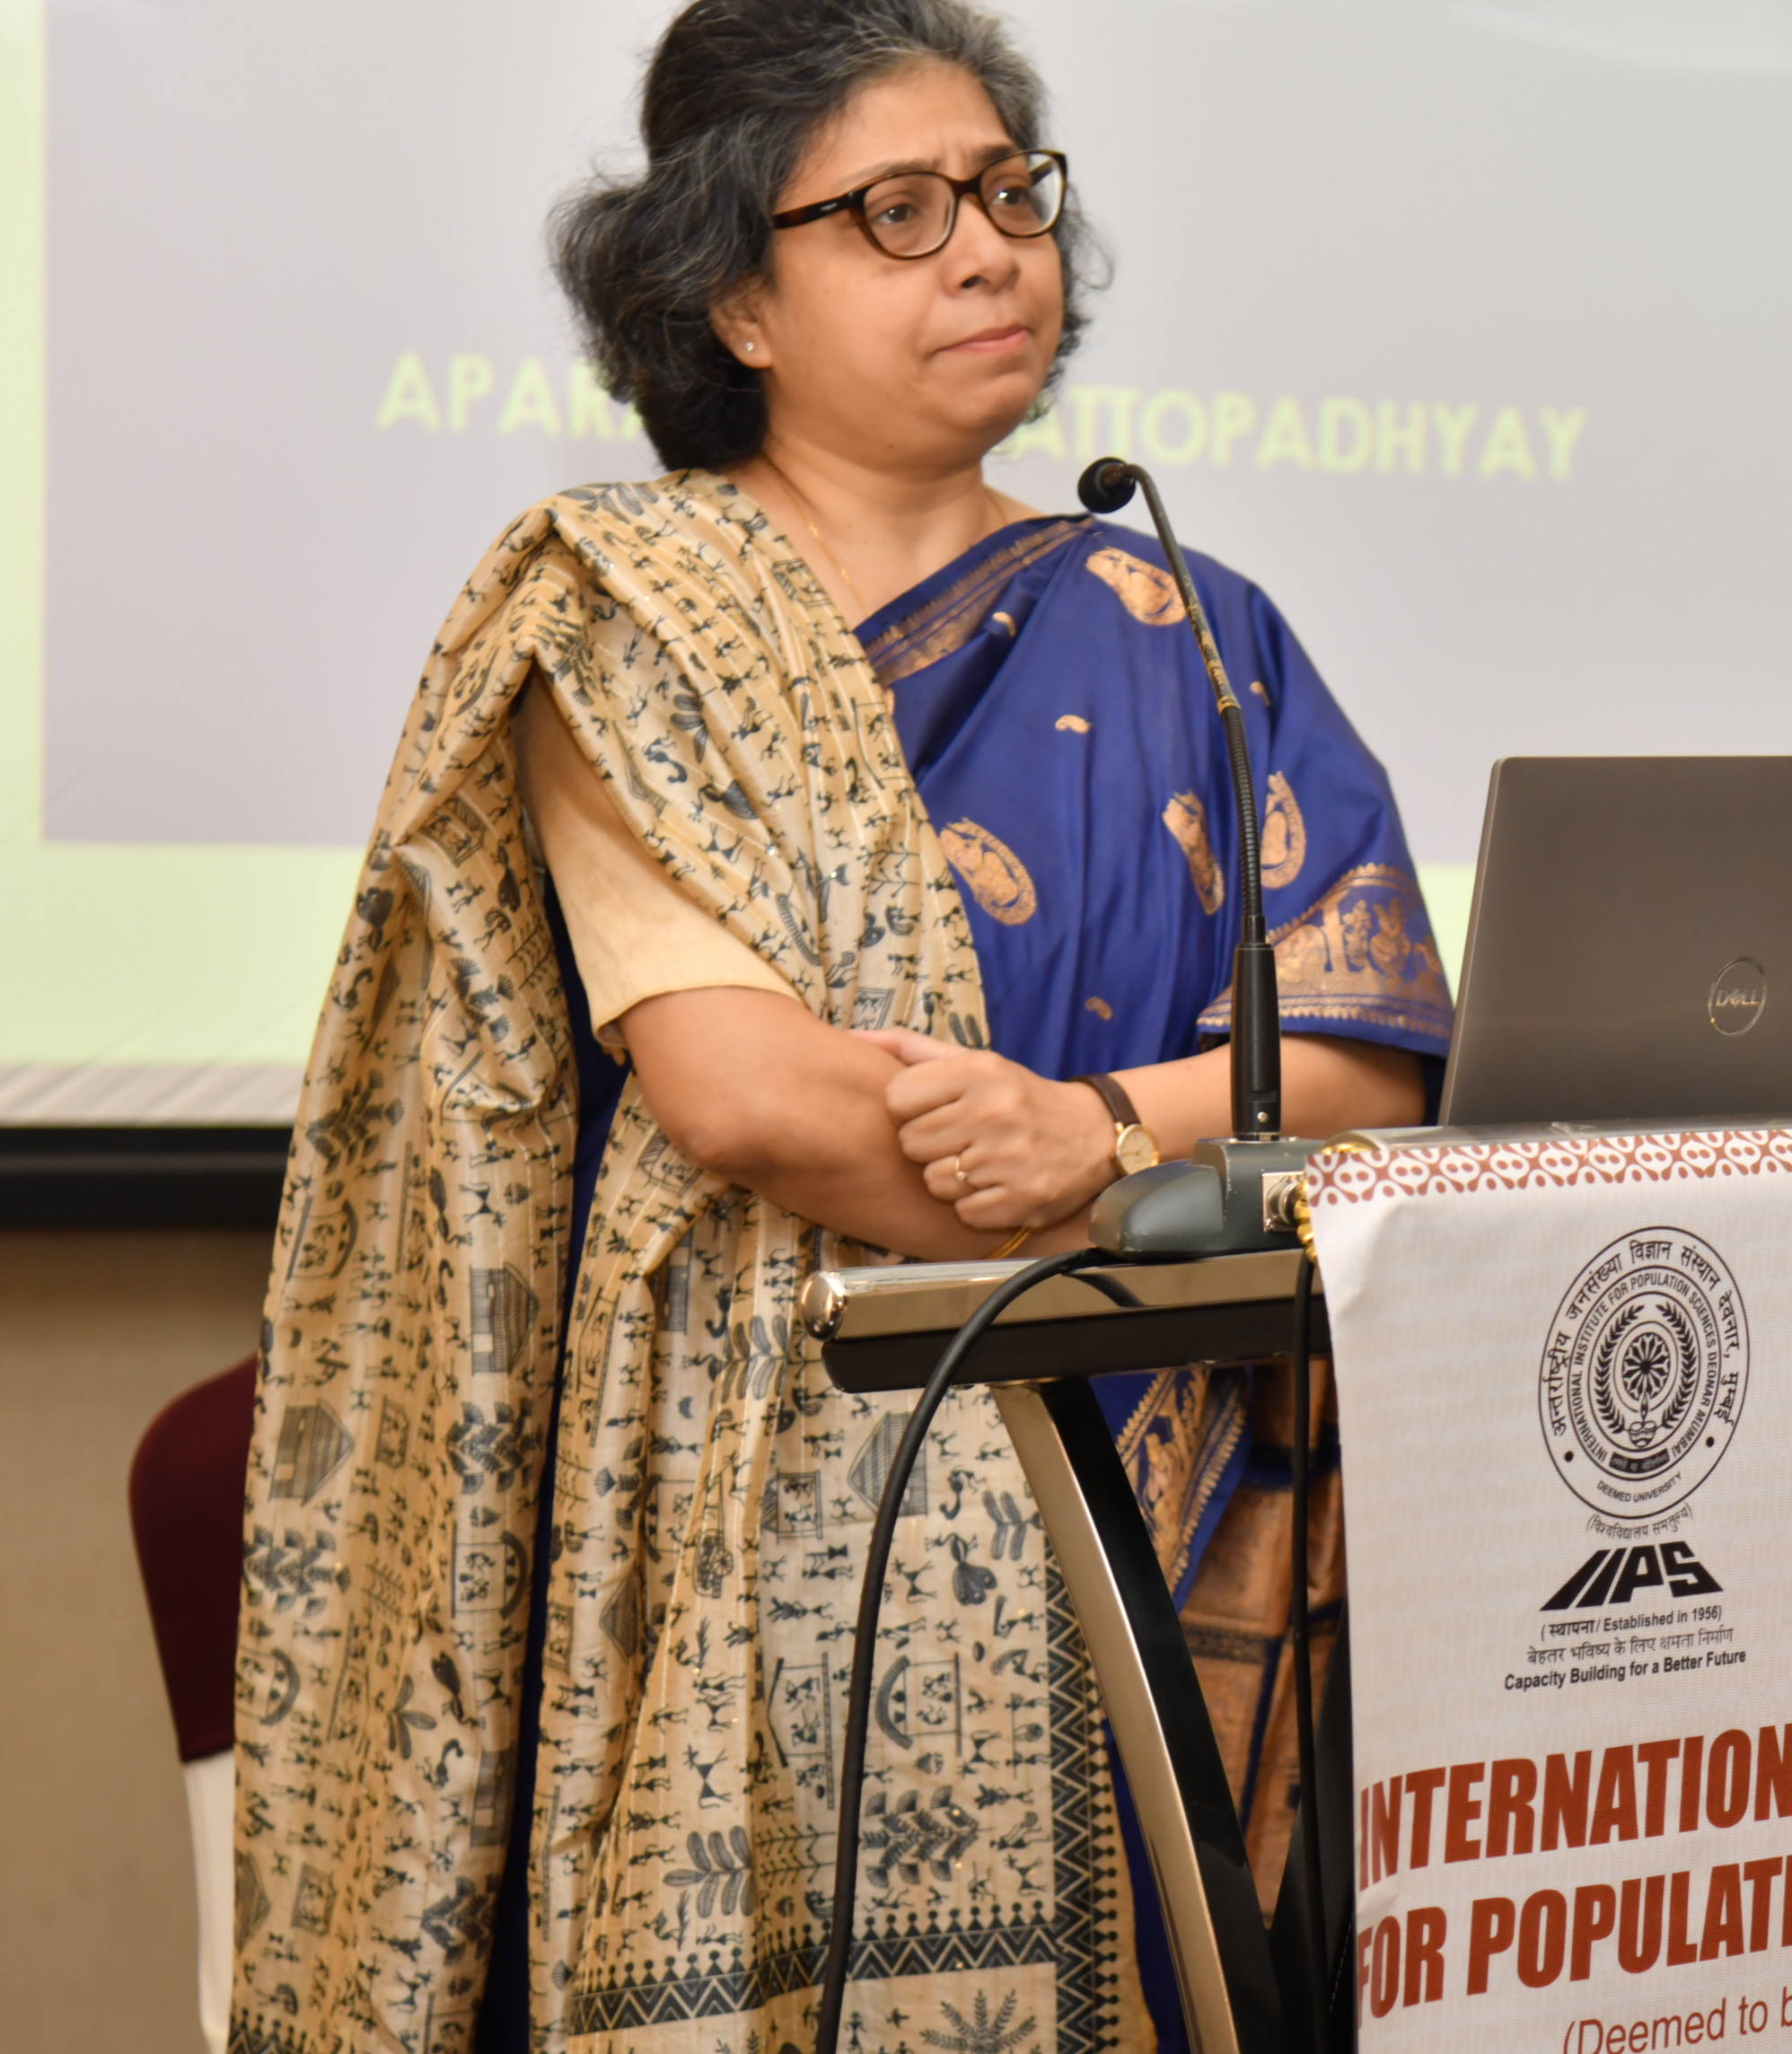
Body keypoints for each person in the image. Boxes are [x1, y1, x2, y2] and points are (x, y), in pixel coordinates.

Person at [230, 3, 1448, 2049]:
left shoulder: (1191, 622)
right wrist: (1125, 1173)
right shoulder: (628, 616)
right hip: (755, 1496)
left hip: (1154, 1491)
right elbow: (742, 1091)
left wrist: (1092, 1130)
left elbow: (1361, 1068)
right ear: (735, 295)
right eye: (899, 212)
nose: (988, 252)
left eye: (1008, 193)